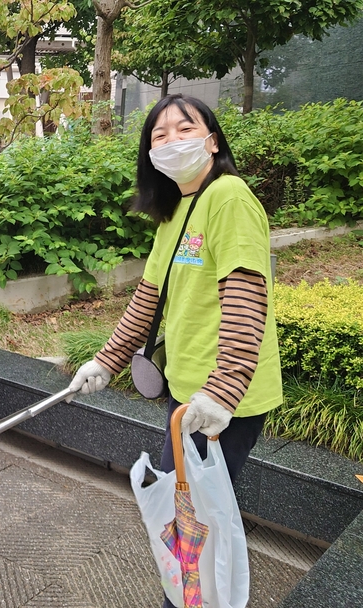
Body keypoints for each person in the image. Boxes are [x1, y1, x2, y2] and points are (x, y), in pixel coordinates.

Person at [67, 94, 281, 606]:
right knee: (198, 524)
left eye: (184, 129)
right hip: (187, 391)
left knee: (189, 533)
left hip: (219, 404)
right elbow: (147, 301)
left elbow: (247, 296)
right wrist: (104, 361)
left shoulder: (229, 197)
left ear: (211, 139)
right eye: (158, 136)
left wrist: (223, 393)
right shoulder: (176, 211)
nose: (171, 142)